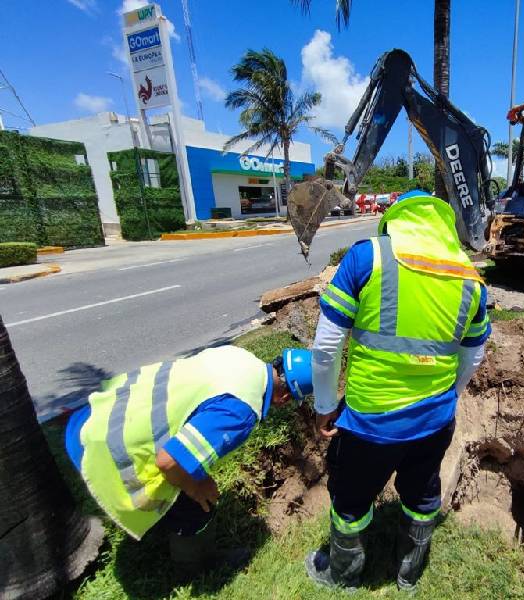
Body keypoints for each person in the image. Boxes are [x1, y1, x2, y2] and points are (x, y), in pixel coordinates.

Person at [305, 189, 491, 591]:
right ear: (444, 228)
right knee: (422, 495)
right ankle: (409, 574)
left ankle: (342, 574)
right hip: (434, 420)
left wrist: (324, 405)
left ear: (394, 222)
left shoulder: (367, 257)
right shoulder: (470, 279)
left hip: (370, 421)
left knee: (351, 499)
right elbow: (473, 357)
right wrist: (451, 397)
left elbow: (325, 348)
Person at [64, 345, 313, 576]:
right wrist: (196, 487)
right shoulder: (241, 412)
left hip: (98, 415)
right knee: (198, 506)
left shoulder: (239, 356)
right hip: (106, 451)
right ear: (285, 398)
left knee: (190, 477)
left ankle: (165, 529)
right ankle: (194, 568)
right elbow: (168, 461)